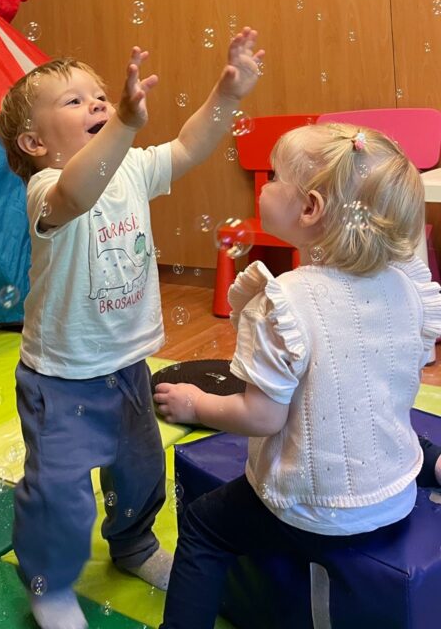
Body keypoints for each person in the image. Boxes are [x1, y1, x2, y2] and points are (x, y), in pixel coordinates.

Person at [0, 30, 263, 629]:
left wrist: (227, 93)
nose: (96, 103)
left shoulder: (135, 169)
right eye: (75, 101)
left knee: (139, 472)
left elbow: (190, 145)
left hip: (127, 367)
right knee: (58, 494)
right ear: (35, 143)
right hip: (60, 379)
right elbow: (77, 192)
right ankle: (49, 580)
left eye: (99, 95)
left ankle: (135, 544)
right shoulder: (46, 188)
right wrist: (121, 123)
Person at [154, 123, 441, 629]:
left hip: (314, 508)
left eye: (272, 177)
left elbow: (261, 417)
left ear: (309, 208)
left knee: (203, 526)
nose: (262, 186)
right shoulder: (406, 285)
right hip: (394, 489)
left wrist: (195, 404)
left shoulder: (283, 300)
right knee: (381, 418)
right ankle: (435, 465)